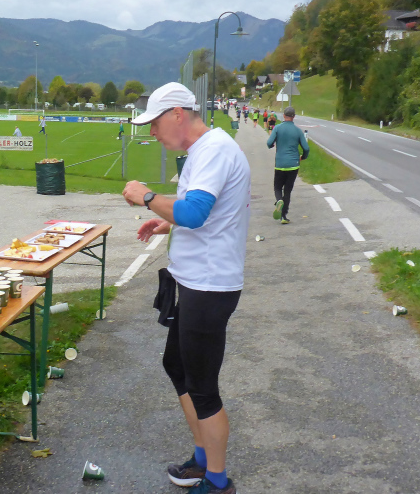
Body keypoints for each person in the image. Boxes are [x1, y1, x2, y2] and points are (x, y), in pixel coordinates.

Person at [122, 82, 250, 494]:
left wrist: (147, 196)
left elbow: (194, 213)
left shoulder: (215, 149)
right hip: (194, 281)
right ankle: (202, 458)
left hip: (209, 286)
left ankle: (217, 481)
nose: (152, 132)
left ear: (177, 114)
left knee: (203, 387)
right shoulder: (202, 151)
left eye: (155, 123)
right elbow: (203, 210)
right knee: (176, 366)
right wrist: (167, 221)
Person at [267, 106, 309, 224]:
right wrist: (303, 157)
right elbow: (306, 148)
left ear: (284, 116)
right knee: (288, 190)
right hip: (293, 164)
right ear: (293, 116)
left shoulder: (277, 128)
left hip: (280, 163)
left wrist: (272, 145)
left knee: (277, 187)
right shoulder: (298, 131)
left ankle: (279, 200)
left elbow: (269, 142)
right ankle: (284, 216)